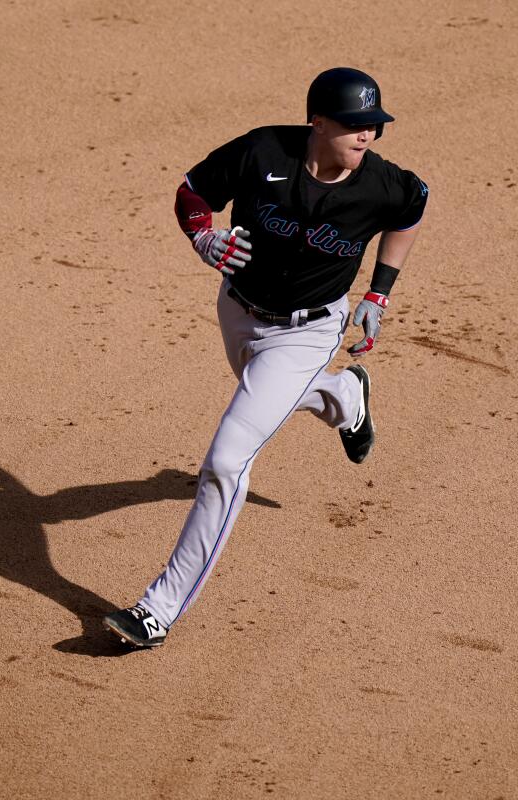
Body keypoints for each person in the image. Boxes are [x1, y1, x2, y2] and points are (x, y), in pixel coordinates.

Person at [103, 67, 428, 648]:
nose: (367, 136)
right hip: (238, 310)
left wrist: (380, 291)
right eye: (355, 125)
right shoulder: (261, 150)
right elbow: (192, 190)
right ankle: (343, 395)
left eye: (374, 126)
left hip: (310, 332)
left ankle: (158, 609)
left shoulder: (383, 184)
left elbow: (411, 212)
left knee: (228, 461)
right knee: (268, 401)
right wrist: (202, 234)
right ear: (318, 122)